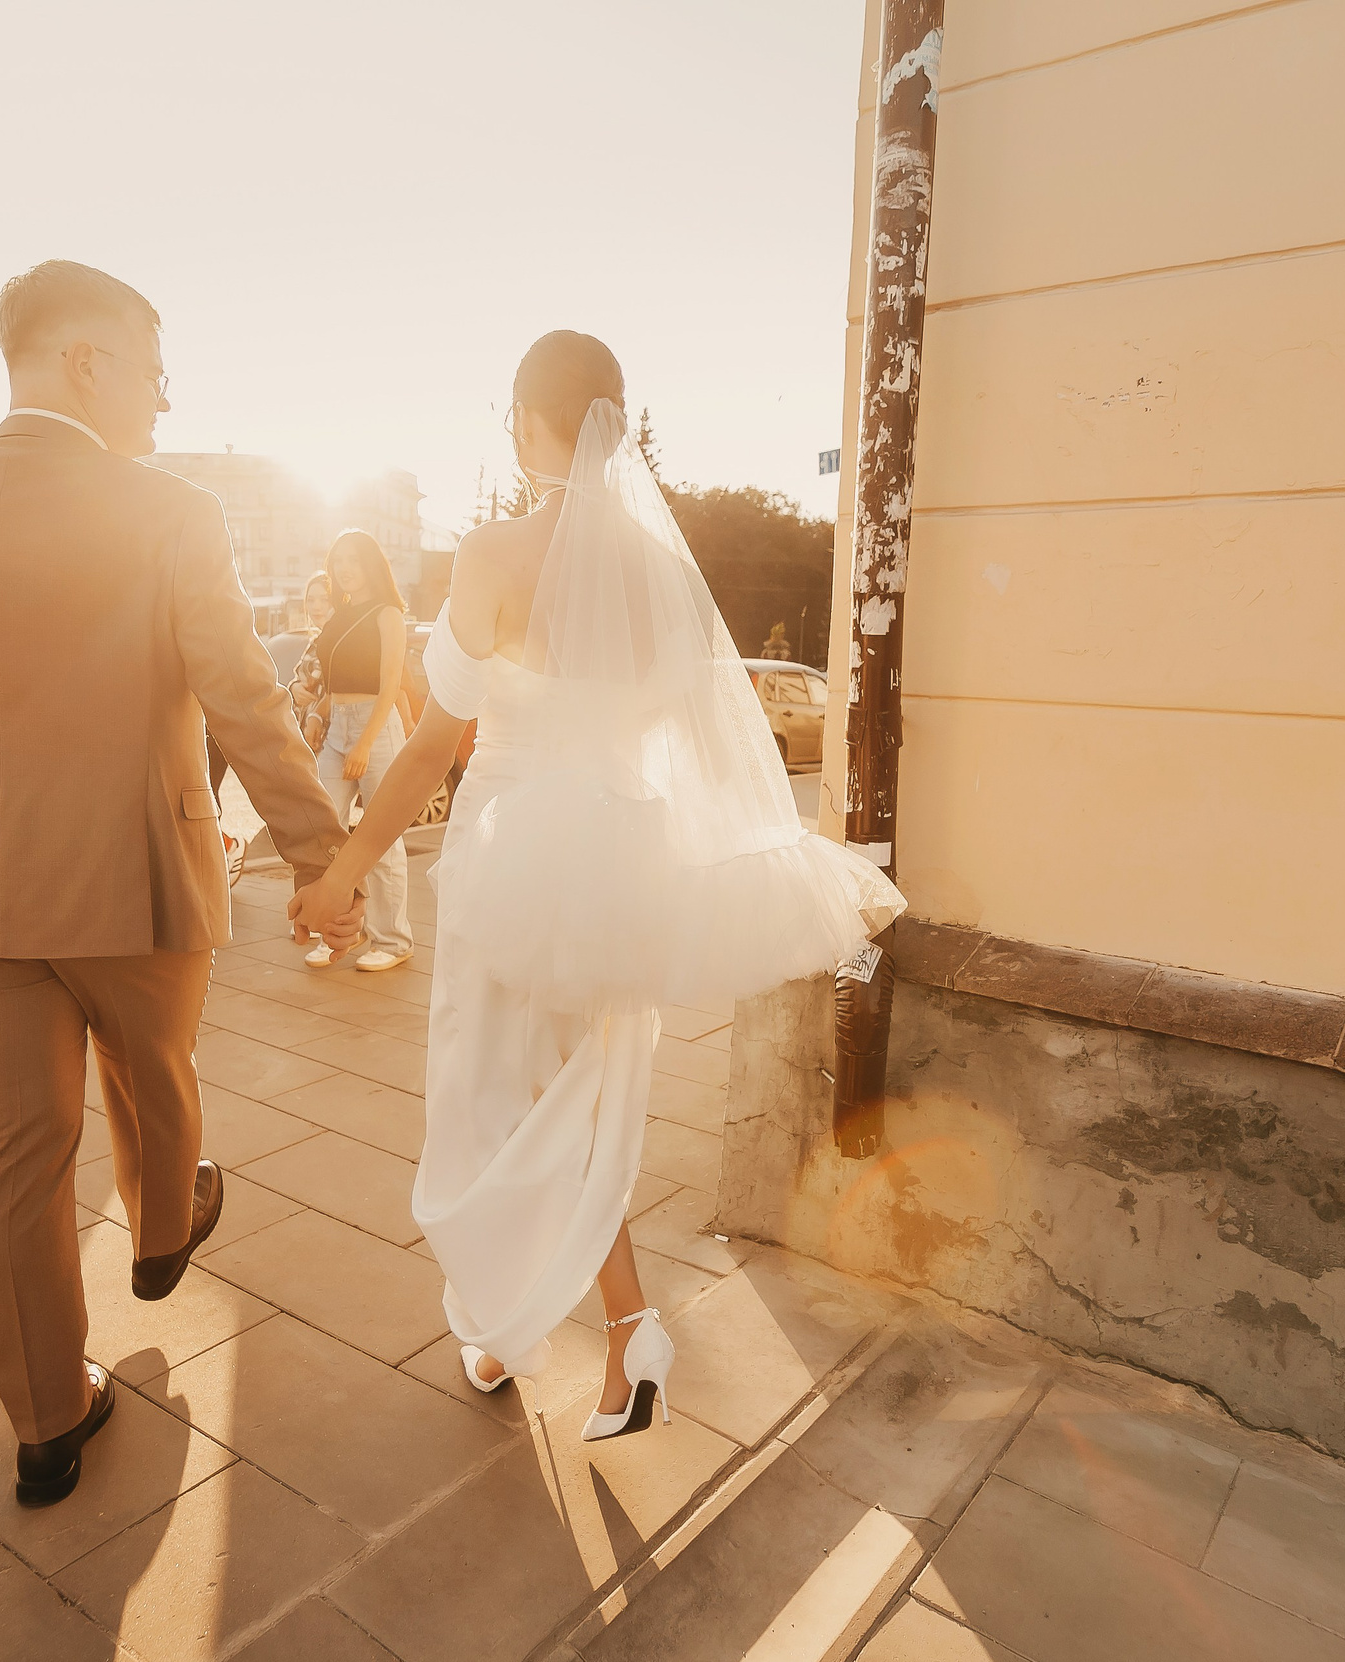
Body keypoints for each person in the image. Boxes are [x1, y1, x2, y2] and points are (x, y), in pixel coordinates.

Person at [292, 333, 902, 1441]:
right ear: (613, 422)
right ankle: (613, 1333)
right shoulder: (665, 571)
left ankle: (516, 1320)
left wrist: (342, 864)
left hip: (515, 850)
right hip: (627, 851)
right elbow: (690, 737)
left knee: (489, 1096)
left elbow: (435, 743)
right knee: (587, 1096)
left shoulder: (494, 553)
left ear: (526, 422)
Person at [0, 259, 363, 1506]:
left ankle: (44, 1419)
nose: (164, 403)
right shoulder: (169, 512)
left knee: (11, 1156)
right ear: (85, 360)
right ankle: (164, 1230)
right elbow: (241, 695)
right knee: (155, 1073)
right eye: (153, 370)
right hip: (134, 874)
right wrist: (320, 856)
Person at [302, 533, 415, 972]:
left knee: (381, 840)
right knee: (326, 832)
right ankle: (340, 931)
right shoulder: (338, 617)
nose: (345, 567)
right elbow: (335, 683)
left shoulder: (388, 615)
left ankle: (393, 939)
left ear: (371, 564)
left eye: (354, 559)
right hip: (337, 729)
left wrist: (366, 742)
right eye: (339, 560)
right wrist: (316, 713)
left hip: (377, 728)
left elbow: (389, 687)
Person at [263, 571, 330, 688]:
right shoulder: (314, 643)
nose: (316, 607)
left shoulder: (342, 644)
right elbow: (297, 679)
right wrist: (294, 689)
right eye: (310, 600)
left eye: (324, 599)